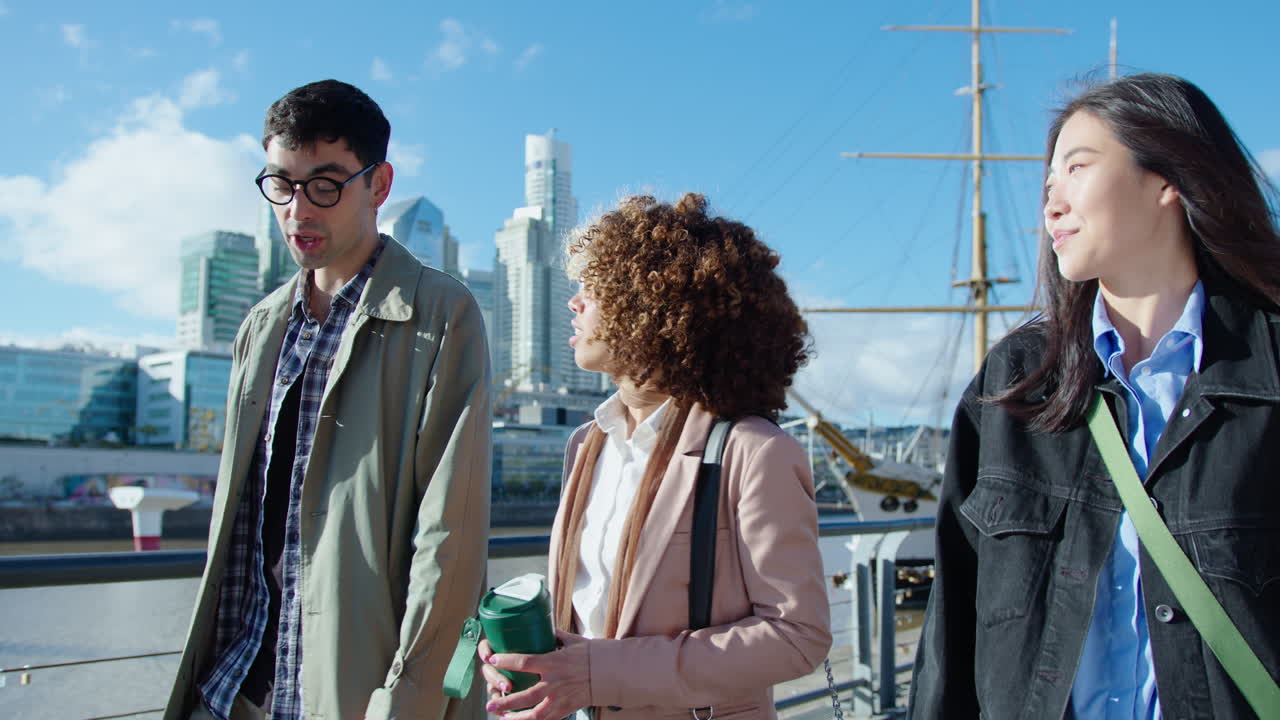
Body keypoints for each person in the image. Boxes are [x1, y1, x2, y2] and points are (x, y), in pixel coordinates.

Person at [908, 73, 1280, 719]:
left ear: (1170, 178)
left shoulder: (1269, 368)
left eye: (1077, 168)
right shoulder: (1015, 384)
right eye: (1048, 184)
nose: (1051, 204)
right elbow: (950, 641)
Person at [164, 79, 492, 720]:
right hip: (234, 685)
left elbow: (449, 542)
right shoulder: (261, 325)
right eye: (281, 184)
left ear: (380, 184)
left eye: (326, 183)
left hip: (351, 693)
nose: (298, 209)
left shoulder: (439, 314)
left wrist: (407, 702)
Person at [478, 193, 832, 720]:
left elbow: (797, 635)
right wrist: (531, 658)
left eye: (592, 289)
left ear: (651, 308)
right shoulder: (588, 443)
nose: (574, 303)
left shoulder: (755, 452)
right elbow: (587, 608)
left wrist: (600, 672)